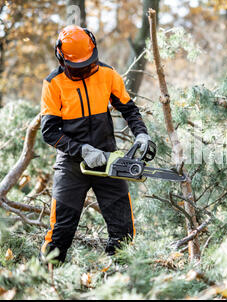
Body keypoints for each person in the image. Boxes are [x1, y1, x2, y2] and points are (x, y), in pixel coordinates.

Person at [39, 25, 153, 263]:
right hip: (71, 163)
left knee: (123, 230)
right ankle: (49, 277)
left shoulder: (107, 74)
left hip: (108, 160)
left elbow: (129, 110)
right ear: (61, 58)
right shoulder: (54, 83)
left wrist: (141, 134)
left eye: (87, 63)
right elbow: (49, 132)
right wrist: (81, 150)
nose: (83, 70)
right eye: (77, 66)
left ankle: (118, 280)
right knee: (60, 230)